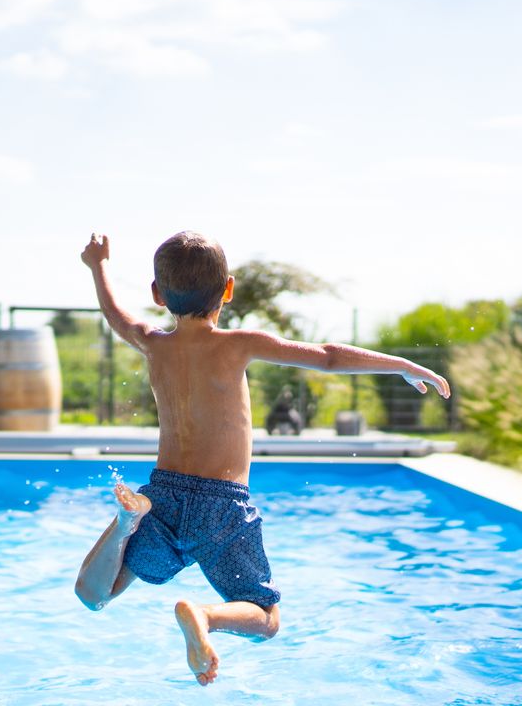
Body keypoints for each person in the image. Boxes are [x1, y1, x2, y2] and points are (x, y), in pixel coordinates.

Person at [73, 231, 450, 686]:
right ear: (228, 290)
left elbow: (116, 316)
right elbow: (327, 357)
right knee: (267, 618)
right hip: (222, 505)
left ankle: (123, 524)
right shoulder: (238, 344)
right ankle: (204, 615)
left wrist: (98, 266)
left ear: (157, 294)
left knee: (96, 595)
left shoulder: (153, 343)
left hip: (163, 496)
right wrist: (401, 364)